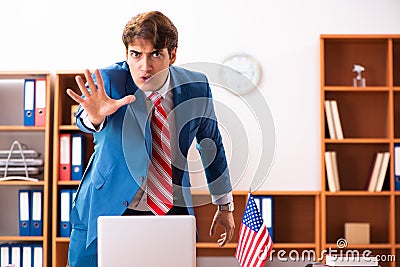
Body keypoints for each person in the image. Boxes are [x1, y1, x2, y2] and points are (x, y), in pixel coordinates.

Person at [66, 10, 235, 267]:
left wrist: (224, 206)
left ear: (173, 54)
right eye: (136, 54)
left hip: (170, 207)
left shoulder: (196, 86)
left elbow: (211, 144)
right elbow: (84, 117)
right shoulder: (109, 80)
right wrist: (94, 118)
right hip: (106, 205)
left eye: (155, 54)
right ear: (127, 54)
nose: (145, 66)